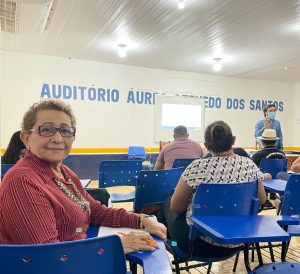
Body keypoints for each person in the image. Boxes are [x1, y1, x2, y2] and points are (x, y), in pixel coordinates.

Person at [0, 99, 166, 253]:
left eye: (65, 131)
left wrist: (141, 220)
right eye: (46, 130)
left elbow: (95, 211)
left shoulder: (64, 172)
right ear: (26, 138)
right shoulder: (22, 181)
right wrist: (115, 246)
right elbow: (48, 257)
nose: (58, 138)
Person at [159, 121, 266, 258]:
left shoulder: (197, 167)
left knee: (167, 204)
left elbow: (176, 208)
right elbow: (262, 199)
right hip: (240, 240)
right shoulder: (249, 164)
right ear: (233, 140)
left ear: (206, 145)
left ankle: (170, 245)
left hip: (199, 246)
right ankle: (170, 244)